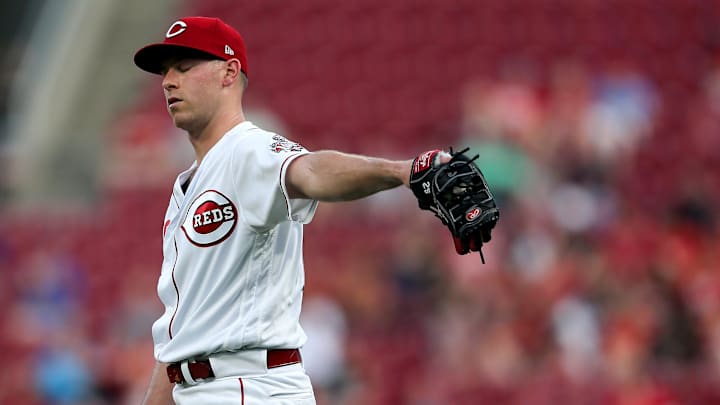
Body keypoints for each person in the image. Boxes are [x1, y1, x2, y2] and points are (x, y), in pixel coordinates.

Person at [133, 16, 436, 405]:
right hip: (203, 388)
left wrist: (400, 171)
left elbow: (309, 171)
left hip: (248, 386)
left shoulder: (248, 149)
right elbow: (182, 337)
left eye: (185, 67)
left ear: (229, 72)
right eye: (164, 71)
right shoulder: (186, 186)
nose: (168, 81)